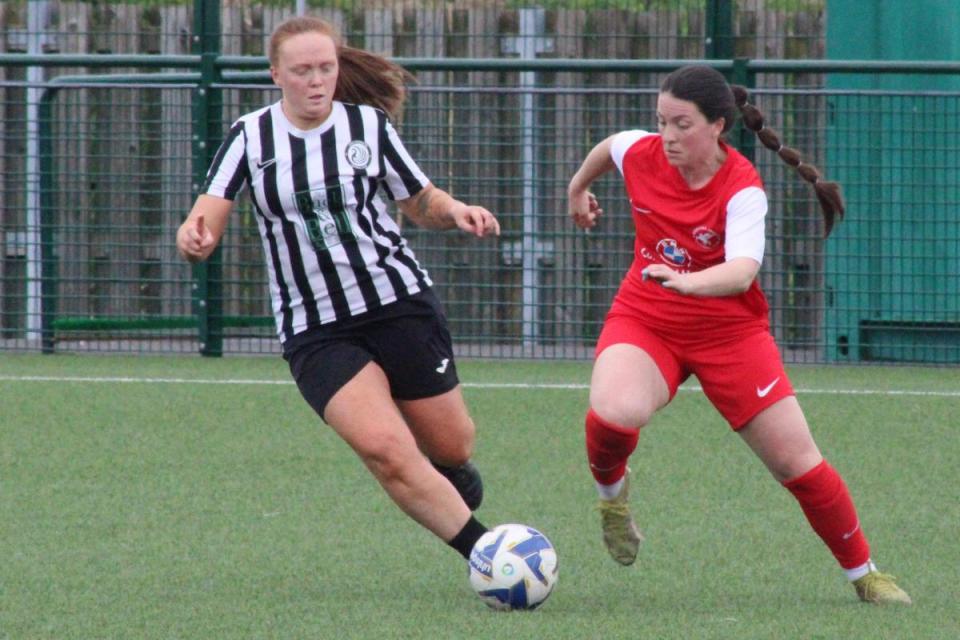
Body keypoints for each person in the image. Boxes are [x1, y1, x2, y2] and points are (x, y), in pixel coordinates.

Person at [566, 64, 910, 605]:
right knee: (613, 411)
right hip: (647, 317)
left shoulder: (743, 188)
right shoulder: (642, 152)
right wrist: (578, 187)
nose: (668, 136)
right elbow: (611, 146)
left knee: (798, 463)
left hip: (730, 334)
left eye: (682, 124)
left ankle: (865, 574)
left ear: (718, 125)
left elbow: (742, 272)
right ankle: (612, 503)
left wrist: (685, 280)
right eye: (662, 122)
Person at [176, 16, 496, 565]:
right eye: (302, 70)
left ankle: (443, 473)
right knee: (385, 450)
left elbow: (418, 200)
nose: (317, 80)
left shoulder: (367, 127)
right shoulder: (249, 137)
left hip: (398, 303)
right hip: (315, 327)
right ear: (276, 74)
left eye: (326, 67)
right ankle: (489, 555)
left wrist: (456, 211)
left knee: (453, 446)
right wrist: (193, 238)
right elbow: (204, 221)